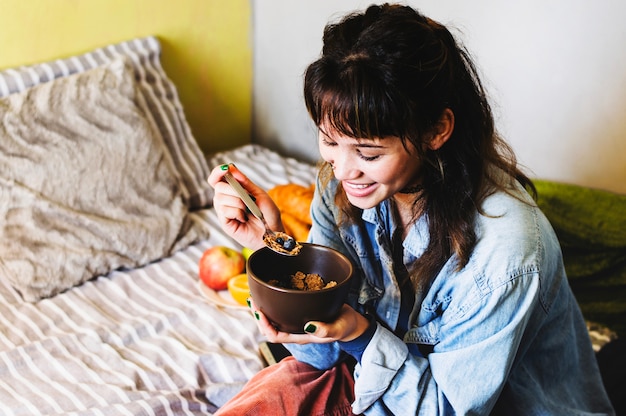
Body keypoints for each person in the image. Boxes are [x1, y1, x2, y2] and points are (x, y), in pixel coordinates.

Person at [208, 3, 614, 415]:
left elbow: (444, 409)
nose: (343, 170)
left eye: (367, 152)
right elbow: (320, 357)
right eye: (329, 141)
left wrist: (363, 337)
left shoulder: (507, 254)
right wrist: (273, 251)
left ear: (436, 130)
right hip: (385, 379)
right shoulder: (339, 189)